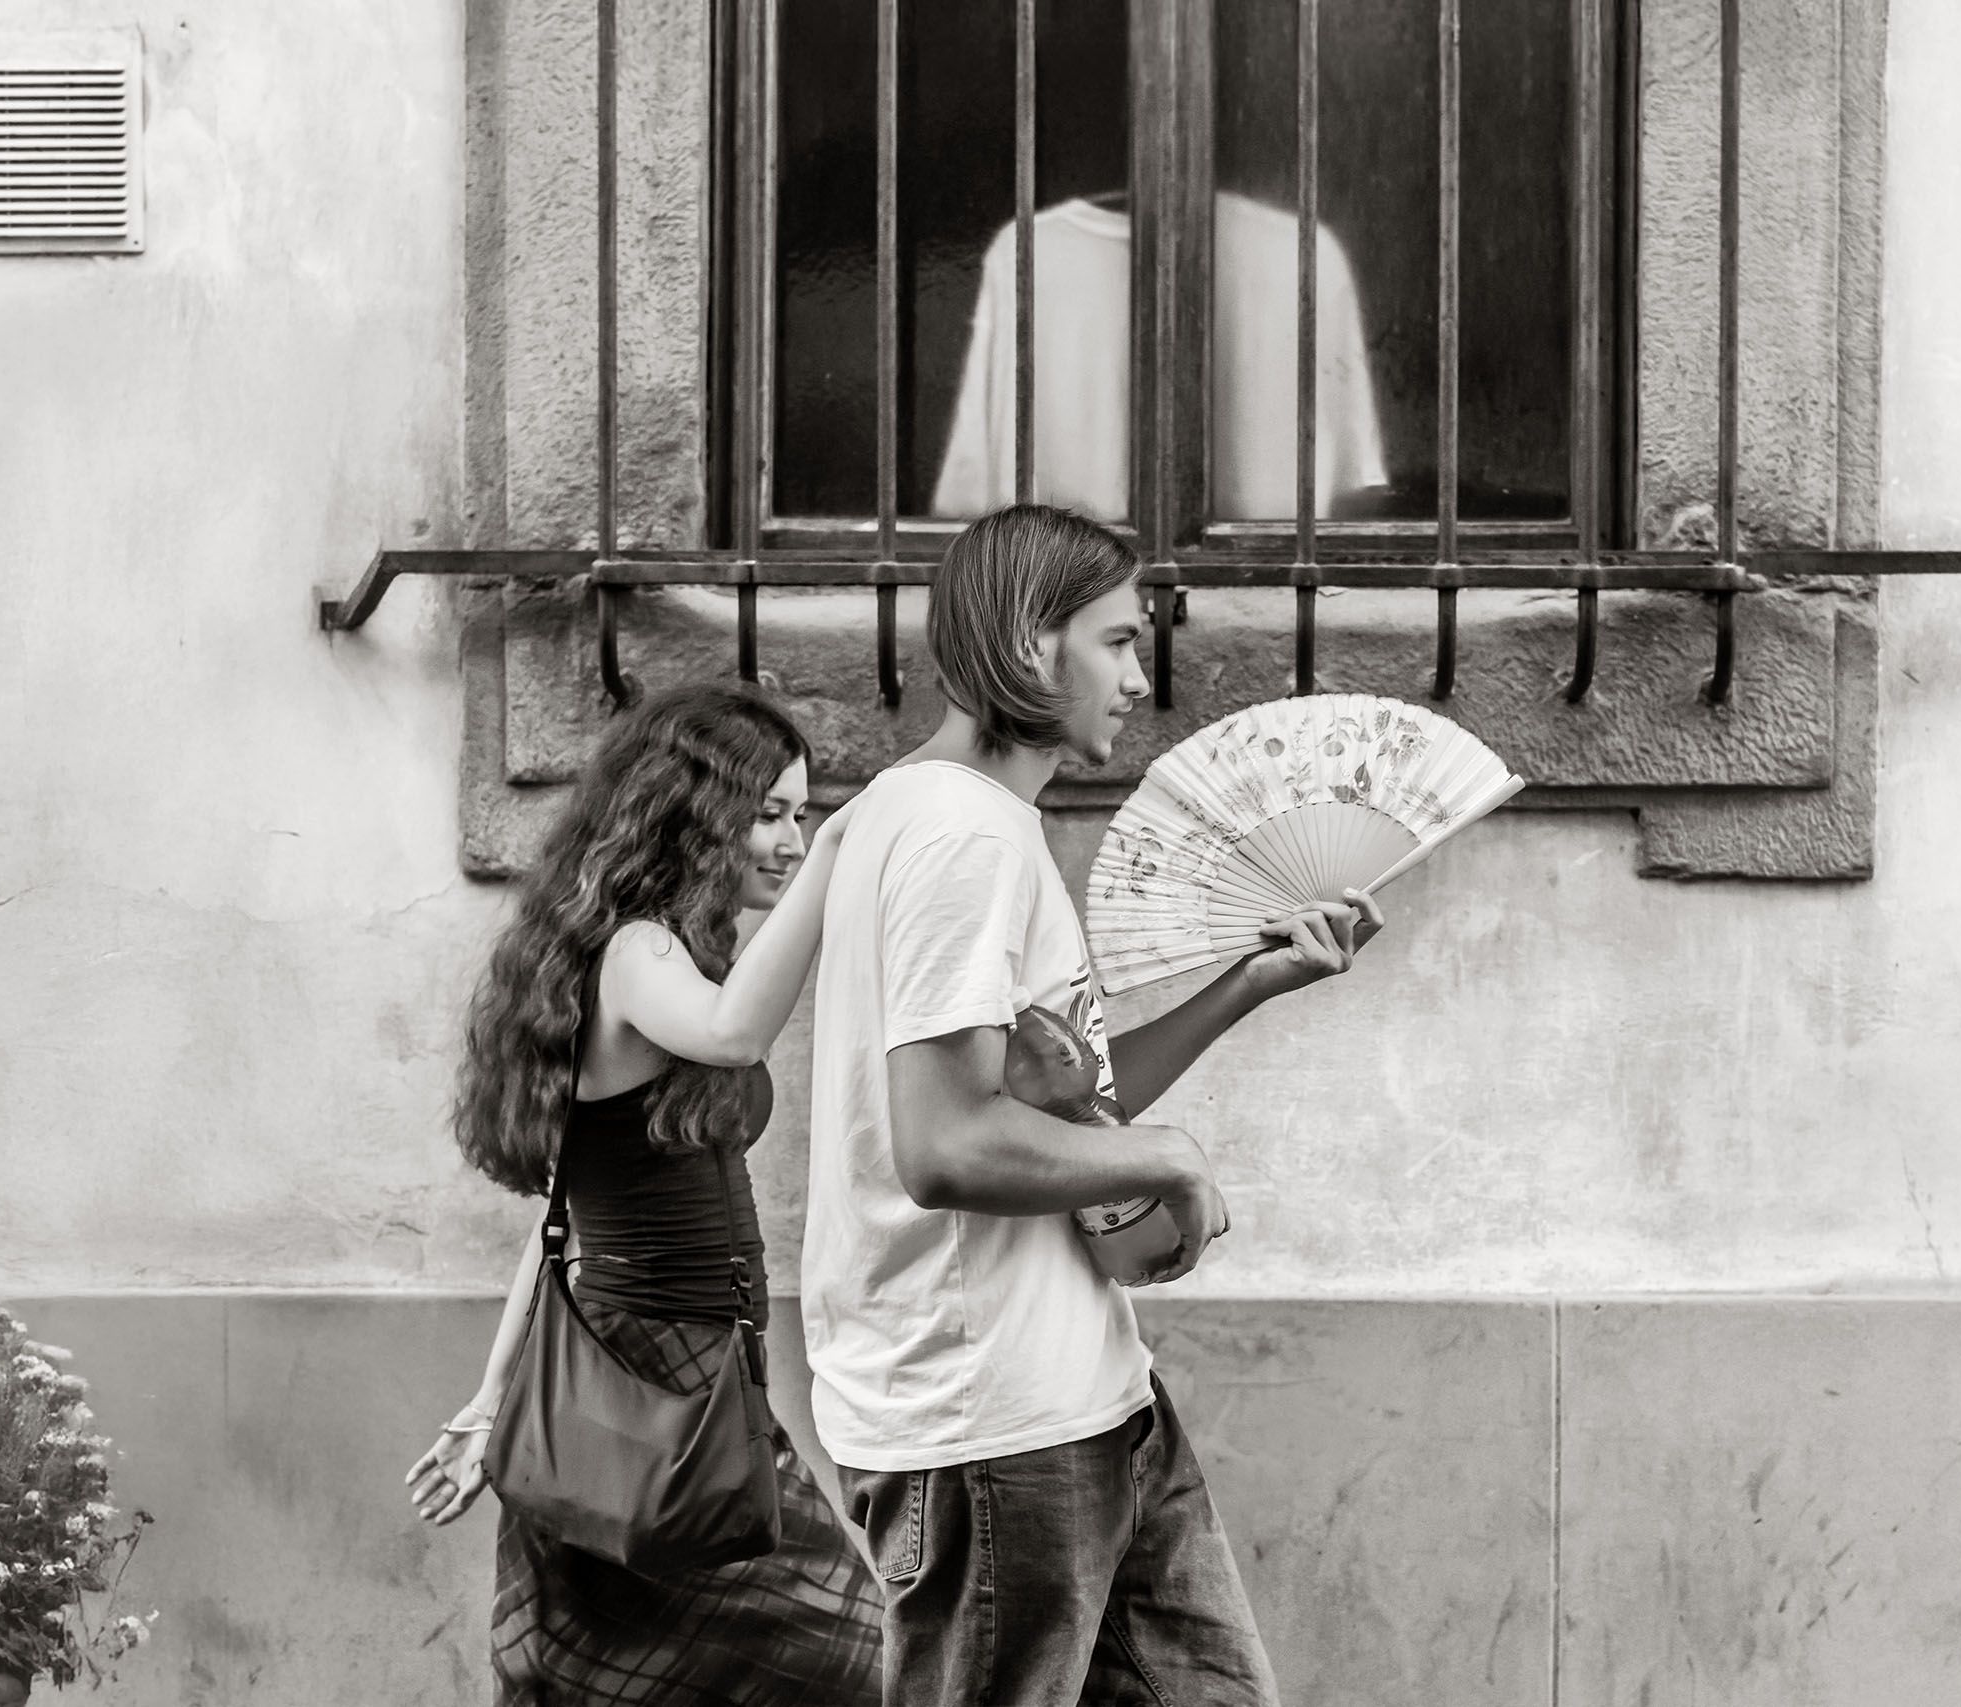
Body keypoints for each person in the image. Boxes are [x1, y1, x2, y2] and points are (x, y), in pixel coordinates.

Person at [804, 503, 1385, 1707]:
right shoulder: (961, 835)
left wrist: (1250, 982)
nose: (1137, 675)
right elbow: (945, 1143)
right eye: (1116, 642)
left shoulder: (963, 818)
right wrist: (1166, 1158)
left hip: (1089, 1401)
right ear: (1031, 645)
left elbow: (1063, 1101)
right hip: (992, 1437)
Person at [407, 682, 882, 1706]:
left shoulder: (649, 951)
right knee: (857, 1654)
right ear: (693, 817)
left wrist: (492, 1402)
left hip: (681, 1366)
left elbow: (556, 1232)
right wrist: (841, 859)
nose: (791, 841)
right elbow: (733, 1037)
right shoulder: (637, 951)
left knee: (630, 1681)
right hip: (652, 1375)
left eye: (802, 816)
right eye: (769, 814)